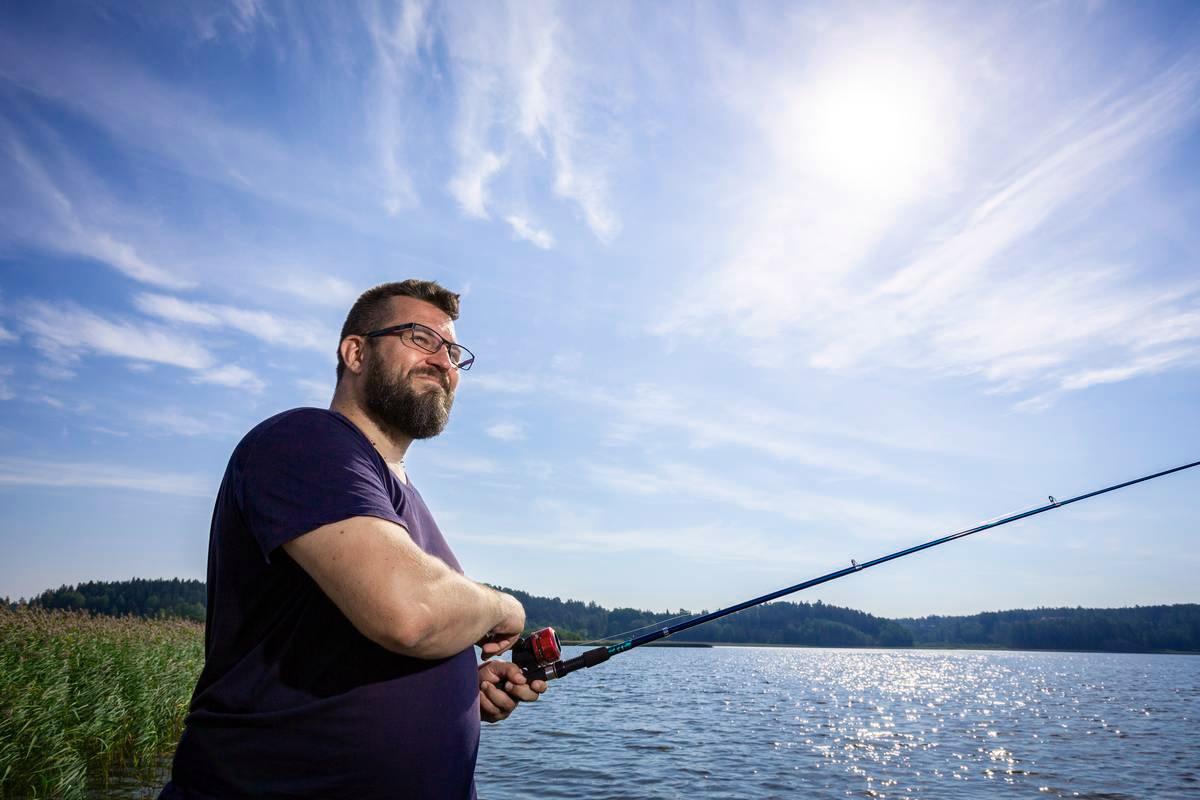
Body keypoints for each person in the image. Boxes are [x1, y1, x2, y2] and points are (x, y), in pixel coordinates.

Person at [160, 280, 545, 800]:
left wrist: (459, 688)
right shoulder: (305, 440)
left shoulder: (398, 496)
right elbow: (410, 611)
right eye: (421, 338)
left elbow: (362, 640)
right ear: (356, 352)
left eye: (453, 352)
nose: (444, 362)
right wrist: (504, 607)